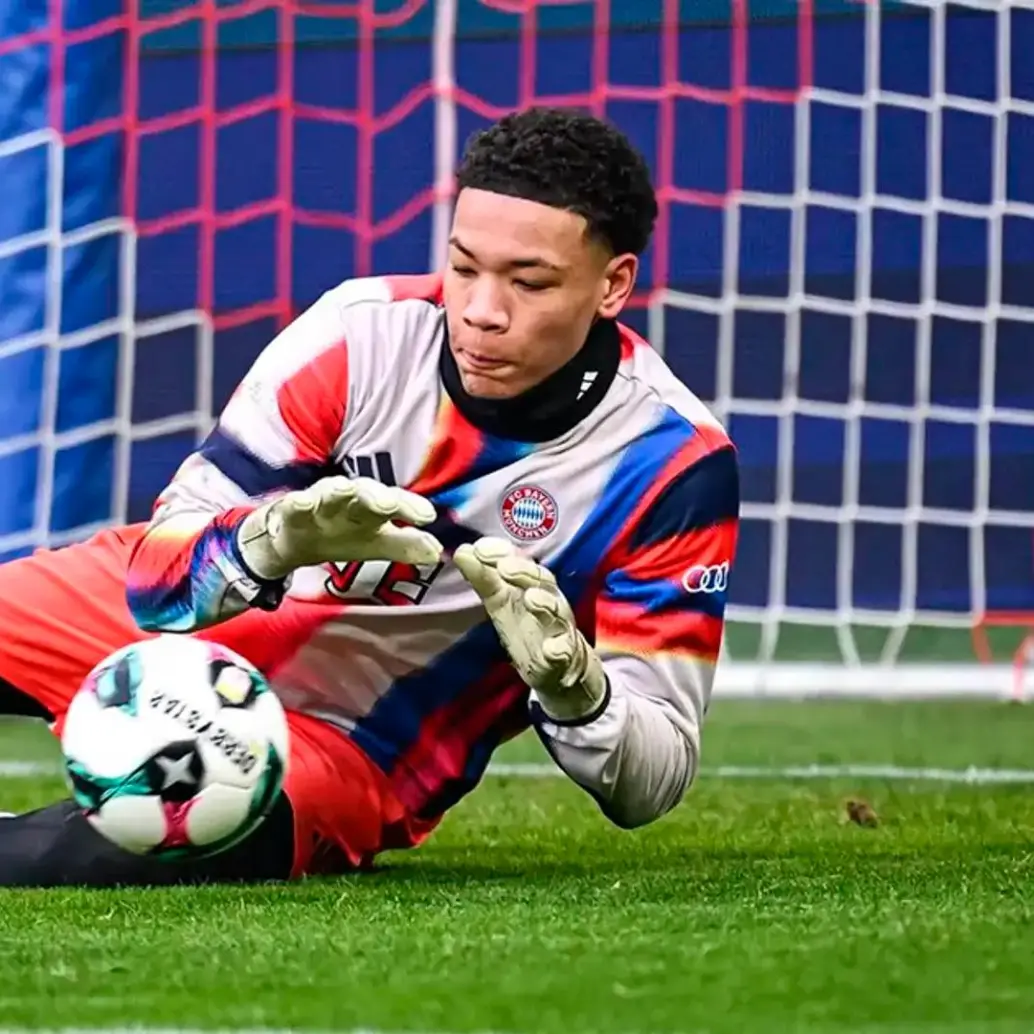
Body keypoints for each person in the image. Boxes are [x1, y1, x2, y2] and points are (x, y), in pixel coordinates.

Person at [0, 107, 740, 886]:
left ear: (614, 283)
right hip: (165, 628)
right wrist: (269, 542)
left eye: (529, 282)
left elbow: (653, 780)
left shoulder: (671, 466)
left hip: (344, 742)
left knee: (92, 855)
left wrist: (575, 691)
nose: (482, 311)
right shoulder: (361, 336)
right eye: (463, 267)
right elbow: (157, 575)